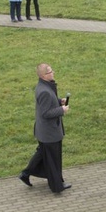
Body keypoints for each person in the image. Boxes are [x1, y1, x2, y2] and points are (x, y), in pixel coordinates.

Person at [19, 63, 71, 194]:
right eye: (50, 72)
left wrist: (59, 101)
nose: (53, 73)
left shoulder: (44, 87)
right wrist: (61, 110)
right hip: (49, 133)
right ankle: (56, 186)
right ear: (43, 75)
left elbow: (48, 103)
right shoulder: (44, 91)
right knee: (53, 160)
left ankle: (26, 173)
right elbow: (45, 113)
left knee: (43, 154)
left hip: (44, 132)